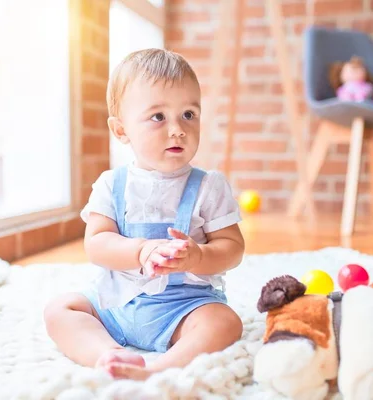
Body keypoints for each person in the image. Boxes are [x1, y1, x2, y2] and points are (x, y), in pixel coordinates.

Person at [44, 48, 245, 381]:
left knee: (224, 323)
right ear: (121, 130)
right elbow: (96, 243)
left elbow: (232, 248)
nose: (178, 129)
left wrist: (198, 256)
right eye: (158, 117)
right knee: (59, 309)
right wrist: (139, 250)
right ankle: (109, 355)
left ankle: (159, 369)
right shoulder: (112, 184)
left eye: (189, 115)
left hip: (183, 307)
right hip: (115, 304)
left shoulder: (208, 186)